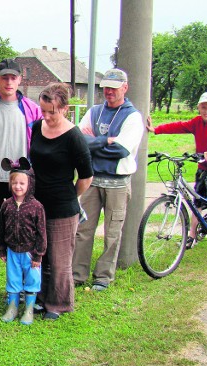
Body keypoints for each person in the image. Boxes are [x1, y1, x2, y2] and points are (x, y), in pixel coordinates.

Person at [72, 68, 143, 292]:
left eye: (113, 88)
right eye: (106, 88)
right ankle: (77, 273)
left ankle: (103, 276)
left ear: (124, 87)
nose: (109, 92)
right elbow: (79, 140)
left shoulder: (132, 116)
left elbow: (121, 150)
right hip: (92, 179)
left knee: (112, 232)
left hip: (118, 182)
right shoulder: (94, 111)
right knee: (83, 228)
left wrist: (95, 142)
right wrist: (108, 140)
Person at [0, 58, 42, 300]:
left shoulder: (31, 109)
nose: (8, 82)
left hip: (21, 182)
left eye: (13, 77)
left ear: (19, 80)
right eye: (4, 77)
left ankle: (24, 286)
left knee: (24, 236)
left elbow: (37, 144)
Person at [30, 82, 93, 320]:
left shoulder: (74, 137)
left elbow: (86, 177)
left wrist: (71, 196)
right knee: (40, 253)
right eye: (43, 110)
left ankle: (58, 303)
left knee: (59, 258)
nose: (46, 116)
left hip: (63, 206)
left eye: (51, 112)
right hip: (37, 202)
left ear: (65, 109)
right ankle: (41, 296)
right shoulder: (38, 127)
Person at [146, 91, 207, 248]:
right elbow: (178, 126)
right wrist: (156, 129)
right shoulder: (197, 122)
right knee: (197, 201)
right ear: (199, 108)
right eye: (204, 107)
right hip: (203, 164)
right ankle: (192, 236)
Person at [0, 158, 47, 325]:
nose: (18, 186)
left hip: (30, 252)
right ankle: (13, 307)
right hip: (12, 251)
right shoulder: (7, 205)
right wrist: (1, 248)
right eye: (14, 183)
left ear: (29, 184)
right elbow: (0, 228)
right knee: (13, 279)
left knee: (32, 280)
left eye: (22, 183)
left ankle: (29, 309)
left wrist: (38, 255)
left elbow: (41, 232)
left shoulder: (36, 206)